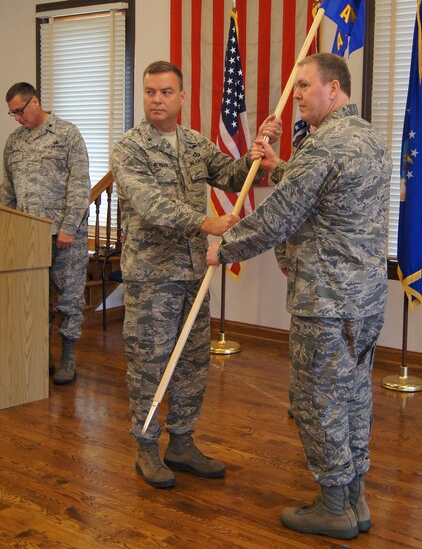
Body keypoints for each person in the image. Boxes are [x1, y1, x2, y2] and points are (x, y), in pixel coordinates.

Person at [207, 53, 391, 540]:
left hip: (326, 301)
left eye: (305, 85)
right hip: (367, 299)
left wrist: (223, 247)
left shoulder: (324, 145)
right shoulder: (369, 137)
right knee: (353, 396)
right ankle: (355, 499)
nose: (297, 96)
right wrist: (280, 165)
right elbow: (328, 194)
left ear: (334, 89)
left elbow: (277, 219)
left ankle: (333, 506)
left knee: (318, 401)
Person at [110, 60, 281, 489]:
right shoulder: (130, 148)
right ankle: (146, 446)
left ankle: (182, 442)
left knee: (192, 361)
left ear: (182, 97)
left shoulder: (193, 143)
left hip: (192, 274)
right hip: (152, 277)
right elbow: (149, 204)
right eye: (150, 92)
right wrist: (207, 225)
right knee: (149, 365)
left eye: (166, 92)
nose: (157, 100)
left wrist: (258, 153)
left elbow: (230, 176)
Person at [2, 82, 90, 385]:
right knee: (34, 300)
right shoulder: (13, 143)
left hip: (66, 237)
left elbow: (79, 186)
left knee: (69, 300)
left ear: (35, 102)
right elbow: (8, 193)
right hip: (28, 238)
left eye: (19, 111)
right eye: (12, 113)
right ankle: (42, 354)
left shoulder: (66, 134)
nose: (16, 118)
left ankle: (68, 356)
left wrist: (67, 228)